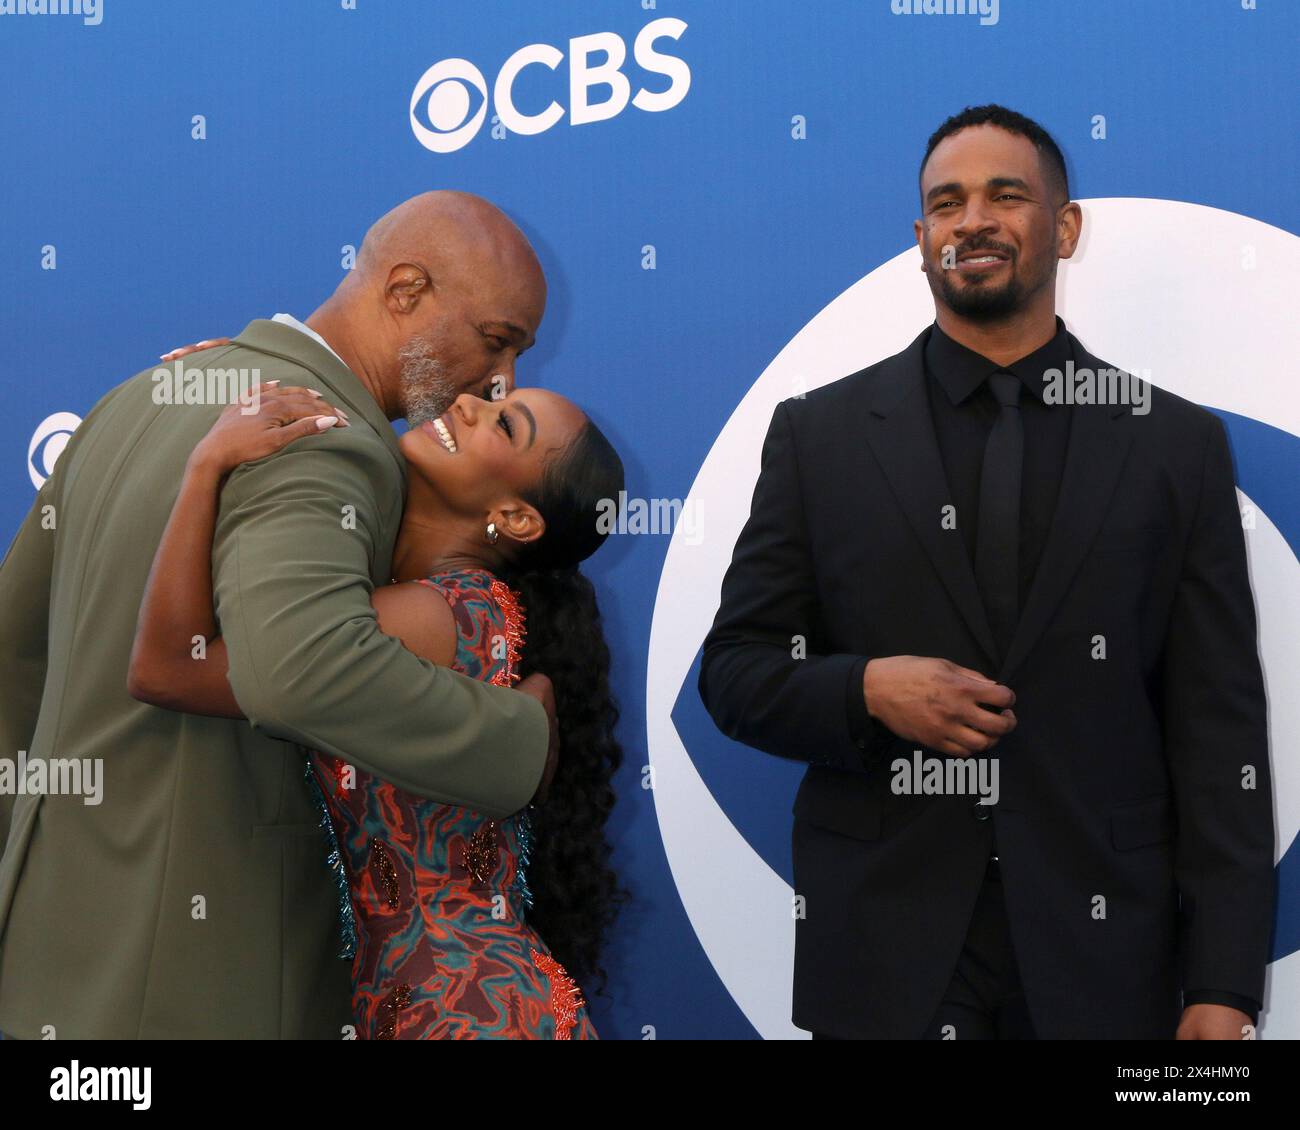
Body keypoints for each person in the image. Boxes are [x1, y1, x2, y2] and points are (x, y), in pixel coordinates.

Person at [698, 105, 1274, 1040]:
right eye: (945, 204)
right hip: (888, 960)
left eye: (1006, 195)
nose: (972, 220)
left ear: (1066, 226)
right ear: (920, 240)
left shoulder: (1176, 445)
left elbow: (1218, 731)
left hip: (1109, 958)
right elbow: (733, 674)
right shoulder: (821, 436)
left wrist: (1223, 982)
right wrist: (867, 690)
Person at [0, 191, 569, 1039]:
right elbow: (297, 667)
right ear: (405, 290)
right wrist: (521, 740)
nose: (500, 380)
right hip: (203, 972)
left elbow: (17, 658)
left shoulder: (137, 398)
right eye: (496, 342)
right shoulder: (323, 431)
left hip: (52, 950)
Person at [128, 379, 623, 1039]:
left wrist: (206, 466)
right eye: (490, 398)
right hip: (451, 997)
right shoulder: (445, 607)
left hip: (466, 1010)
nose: (467, 403)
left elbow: (167, 669)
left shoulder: (442, 615)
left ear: (516, 519)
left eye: (505, 426)